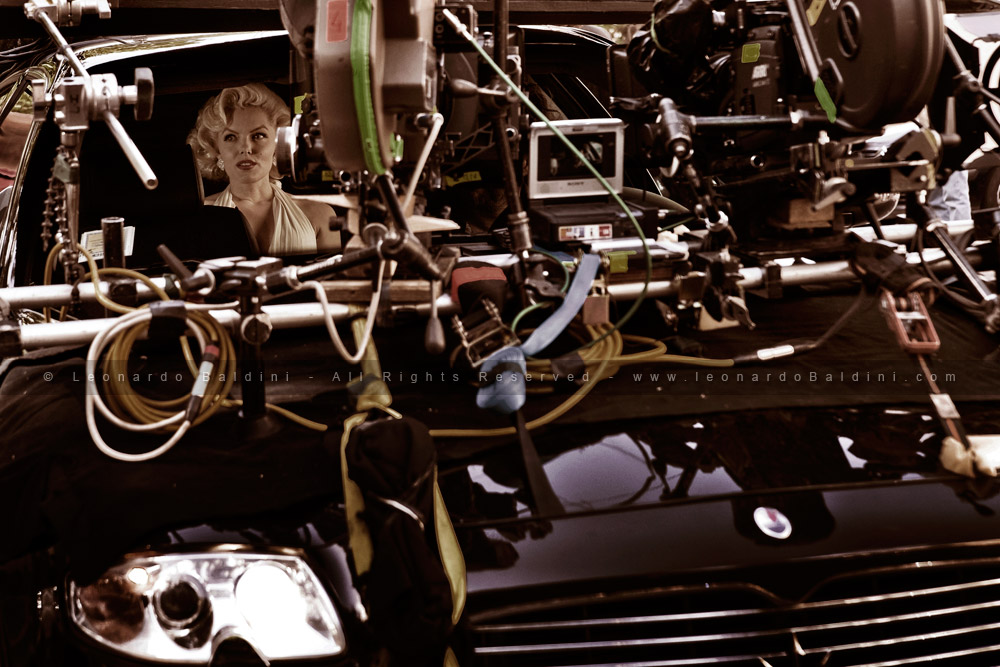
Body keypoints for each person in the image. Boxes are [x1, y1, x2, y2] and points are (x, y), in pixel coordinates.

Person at [188, 84, 339, 254]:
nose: (246, 148)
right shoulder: (196, 217)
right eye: (231, 137)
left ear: (279, 144)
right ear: (216, 149)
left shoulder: (319, 214)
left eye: (258, 135)